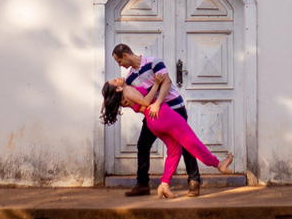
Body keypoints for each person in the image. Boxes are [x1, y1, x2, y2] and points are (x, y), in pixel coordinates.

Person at [100, 74, 233, 198]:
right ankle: (218, 164)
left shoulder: (123, 99)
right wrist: (157, 84)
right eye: (114, 81)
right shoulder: (127, 90)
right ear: (117, 89)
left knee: (175, 151)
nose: (117, 78)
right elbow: (146, 102)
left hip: (153, 122)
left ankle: (164, 184)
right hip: (163, 115)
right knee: (190, 140)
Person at [111, 43, 203, 197]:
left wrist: (158, 103)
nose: (120, 65)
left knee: (186, 143)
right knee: (143, 144)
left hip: (174, 107)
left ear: (125, 55)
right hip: (156, 115)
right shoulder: (130, 78)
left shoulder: (154, 62)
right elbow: (140, 100)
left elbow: (166, 83)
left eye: (119, 61)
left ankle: (194, 181)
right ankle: (142, 184)